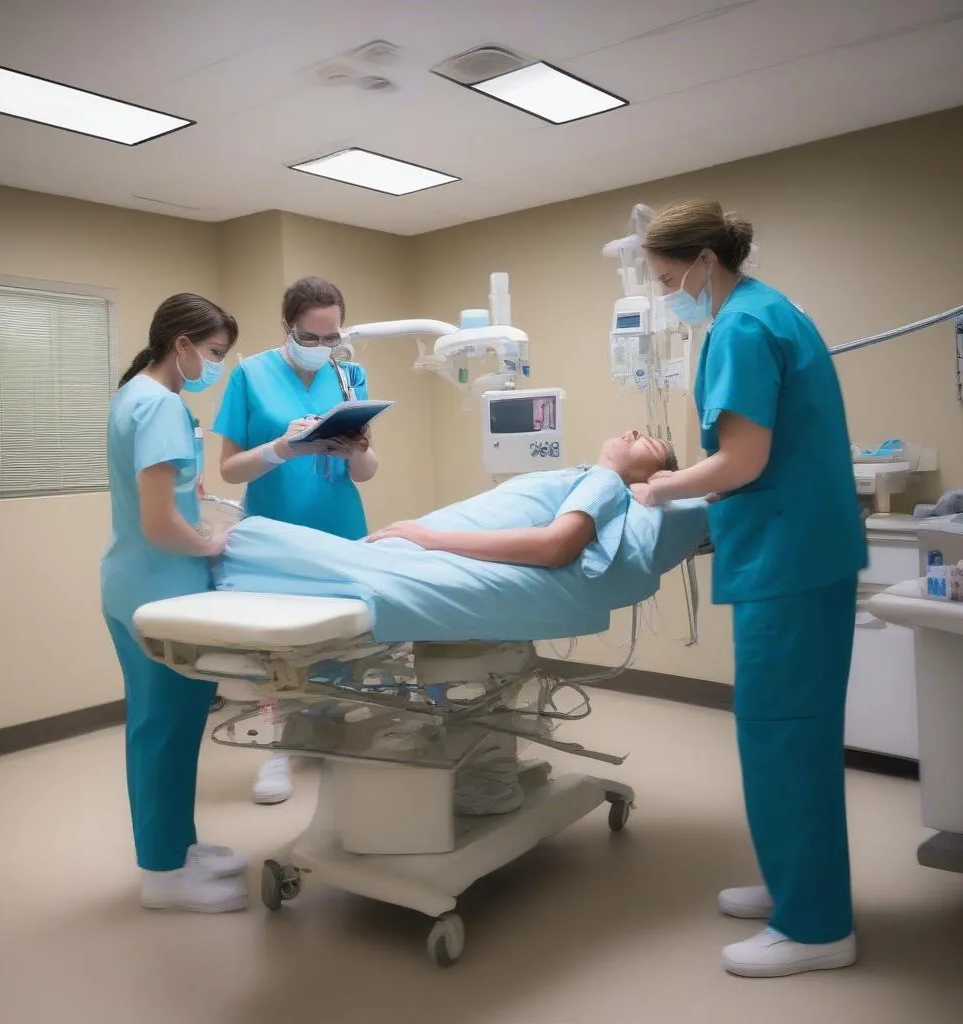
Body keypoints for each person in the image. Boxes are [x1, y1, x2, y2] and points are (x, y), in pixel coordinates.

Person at [630, 200, 866, 978]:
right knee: (784, 736)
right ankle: (793, 885)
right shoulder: (773, 310)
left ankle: (816, 927)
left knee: (783, 736)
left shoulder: (739, 326)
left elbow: (742, 461)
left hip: (788, 560)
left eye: (669, 279)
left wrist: (660, 488)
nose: (669, 295)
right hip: (800, 550)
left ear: (705, 259)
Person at [101, 293, 246, 913]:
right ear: (180, 345)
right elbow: (162, 525)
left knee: (173, 725)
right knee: (164, 730)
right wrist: (213, 545)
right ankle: (161, 873)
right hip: (159, 591)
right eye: (213, 354)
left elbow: (164, 501)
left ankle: (177, 846)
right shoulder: (159, 406)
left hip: (141, 583)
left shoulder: (138, 395)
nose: (215, 366)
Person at [214, 276, 379, 804]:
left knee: (340, 642)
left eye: (333, 338)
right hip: (276, 532)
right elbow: (230, 471)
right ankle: (278, 748)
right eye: (312, 338)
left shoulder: (350, 374)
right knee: (279, 647)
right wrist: (282, 449)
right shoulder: (250, 376)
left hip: (340, 526)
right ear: (288, 329)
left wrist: (353, 450)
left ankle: (326, 734)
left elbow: (368, 472)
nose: (324, 350)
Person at [367, 429, 676, 563]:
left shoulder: (607, 482)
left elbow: (555, 547)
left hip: (421, 545)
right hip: (413, 540)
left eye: (647, 443)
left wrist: (429, 539)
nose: (633, 433)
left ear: (648, 478)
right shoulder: (586, 476)